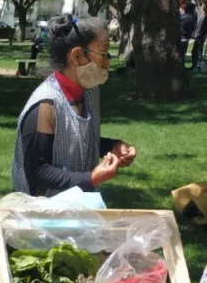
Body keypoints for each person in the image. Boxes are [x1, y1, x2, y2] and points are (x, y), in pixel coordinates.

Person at [11, 14, 135, 197]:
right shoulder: (46, 105)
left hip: (79, 206)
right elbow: (37, 171)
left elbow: (74, 142)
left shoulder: (88, 91)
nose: (108, 62)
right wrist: (90, 178)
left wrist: (112, 146)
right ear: (77, 56)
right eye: (103, 54)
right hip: (45, 213)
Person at [180, 0, 197, 66]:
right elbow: (192, 29)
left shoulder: (181, 16)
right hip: (185, 38)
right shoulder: (190, 18)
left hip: (179, 37)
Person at [191, 0, 206, 72]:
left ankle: (198, 66)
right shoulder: (202, 15)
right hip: (197, 35)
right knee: (195, 50)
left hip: (200, 36)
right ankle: (195, 65)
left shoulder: (205, 16)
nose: (201, 7)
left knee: (198, 51)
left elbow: (202, 27)